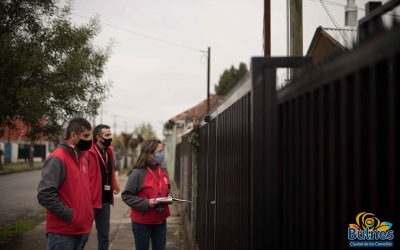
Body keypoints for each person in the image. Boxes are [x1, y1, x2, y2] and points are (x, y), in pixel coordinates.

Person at [37, 118, 94, 250]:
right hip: (62, 233)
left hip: (81, 229)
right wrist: (70, 215)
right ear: (73, 135)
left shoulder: (83, 158)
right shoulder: (57, 158)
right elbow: (45, 195)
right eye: (85, 136)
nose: (89, 140)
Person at [122, 139, 171, 250]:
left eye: (162, 151)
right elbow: (126, 196)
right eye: (158, 152)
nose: (161, 154)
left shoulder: (163, 170)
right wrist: (147, 203)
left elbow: (166, 188)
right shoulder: (137, 173)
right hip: (142, 223)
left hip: (160, 220)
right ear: (149, 154)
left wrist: (169, 197)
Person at [86, 124, 120, 250]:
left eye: (110, 134)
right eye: (107, 135)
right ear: (98, 137)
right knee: (83, 236)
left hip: (105, 201)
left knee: (104, 237)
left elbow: (111, 170)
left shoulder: (110, 151)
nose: (110, 137)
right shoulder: (88, 152)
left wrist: (114, 186)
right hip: (90, 202)